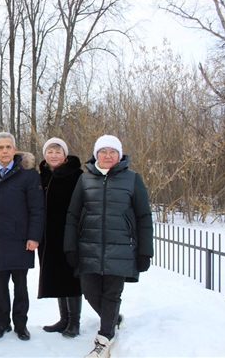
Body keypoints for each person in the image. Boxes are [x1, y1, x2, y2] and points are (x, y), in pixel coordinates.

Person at [64, 135, 153, 358]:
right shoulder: (85, 179)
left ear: (119, 155)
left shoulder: (132, 179)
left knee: (112, 294)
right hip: (89, 248)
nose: (107, 156)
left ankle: (103, 340)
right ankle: (113, 318)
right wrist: (70, 247)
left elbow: (143, 216)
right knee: (90, 292)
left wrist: (144, 252)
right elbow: (73, 214)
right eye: (103, 151)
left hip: (121, 248)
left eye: (112, 152)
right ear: (96, 155)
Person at [0, 132, 44, 341]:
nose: (5, 151)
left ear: (15, 150)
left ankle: (21, 324)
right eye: (1, 147)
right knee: (0, 286)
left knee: (21, 286)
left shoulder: (28, 175)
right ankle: (2, 323)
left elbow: (37, 208)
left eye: (8, 147)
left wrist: (34, 236)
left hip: (19, 239)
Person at [38, 138, 83, 338]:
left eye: (58, 151)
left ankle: (74, 321)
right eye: (50, 151)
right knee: (57, 277)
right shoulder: (43, 176)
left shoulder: (77, 175)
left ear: (65, 155)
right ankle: (63, 318)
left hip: (69, 235)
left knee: (71, 279)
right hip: (49, 237)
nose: (54, 155)